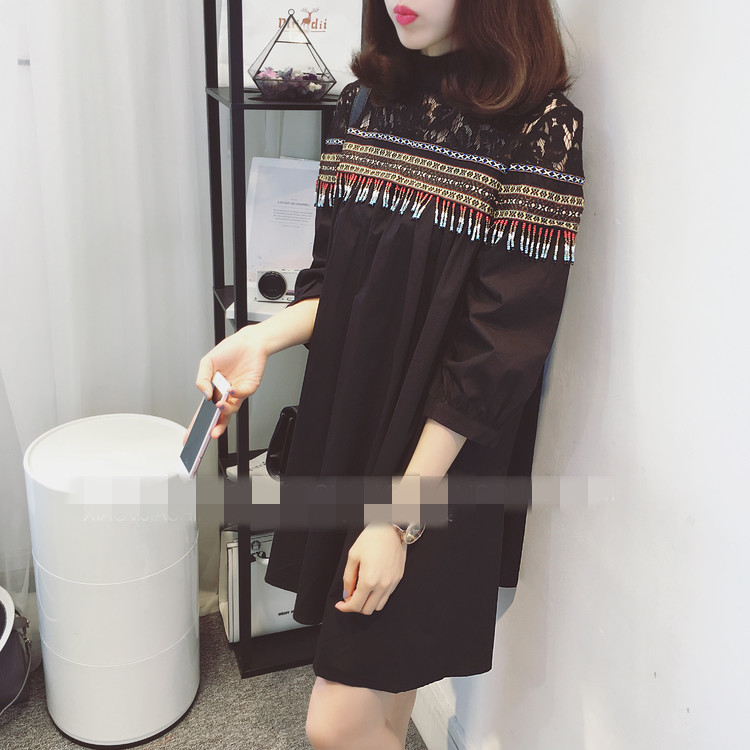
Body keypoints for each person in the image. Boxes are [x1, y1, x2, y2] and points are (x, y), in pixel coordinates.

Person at [196, 0, 584, 747]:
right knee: (383, 693)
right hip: (357, 426)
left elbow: (496, 354)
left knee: (335, 724)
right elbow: (333, 281)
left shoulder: (542, 132)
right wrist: (263, 338)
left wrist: (398, 520)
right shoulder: (364, 104)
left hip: (439, 463)